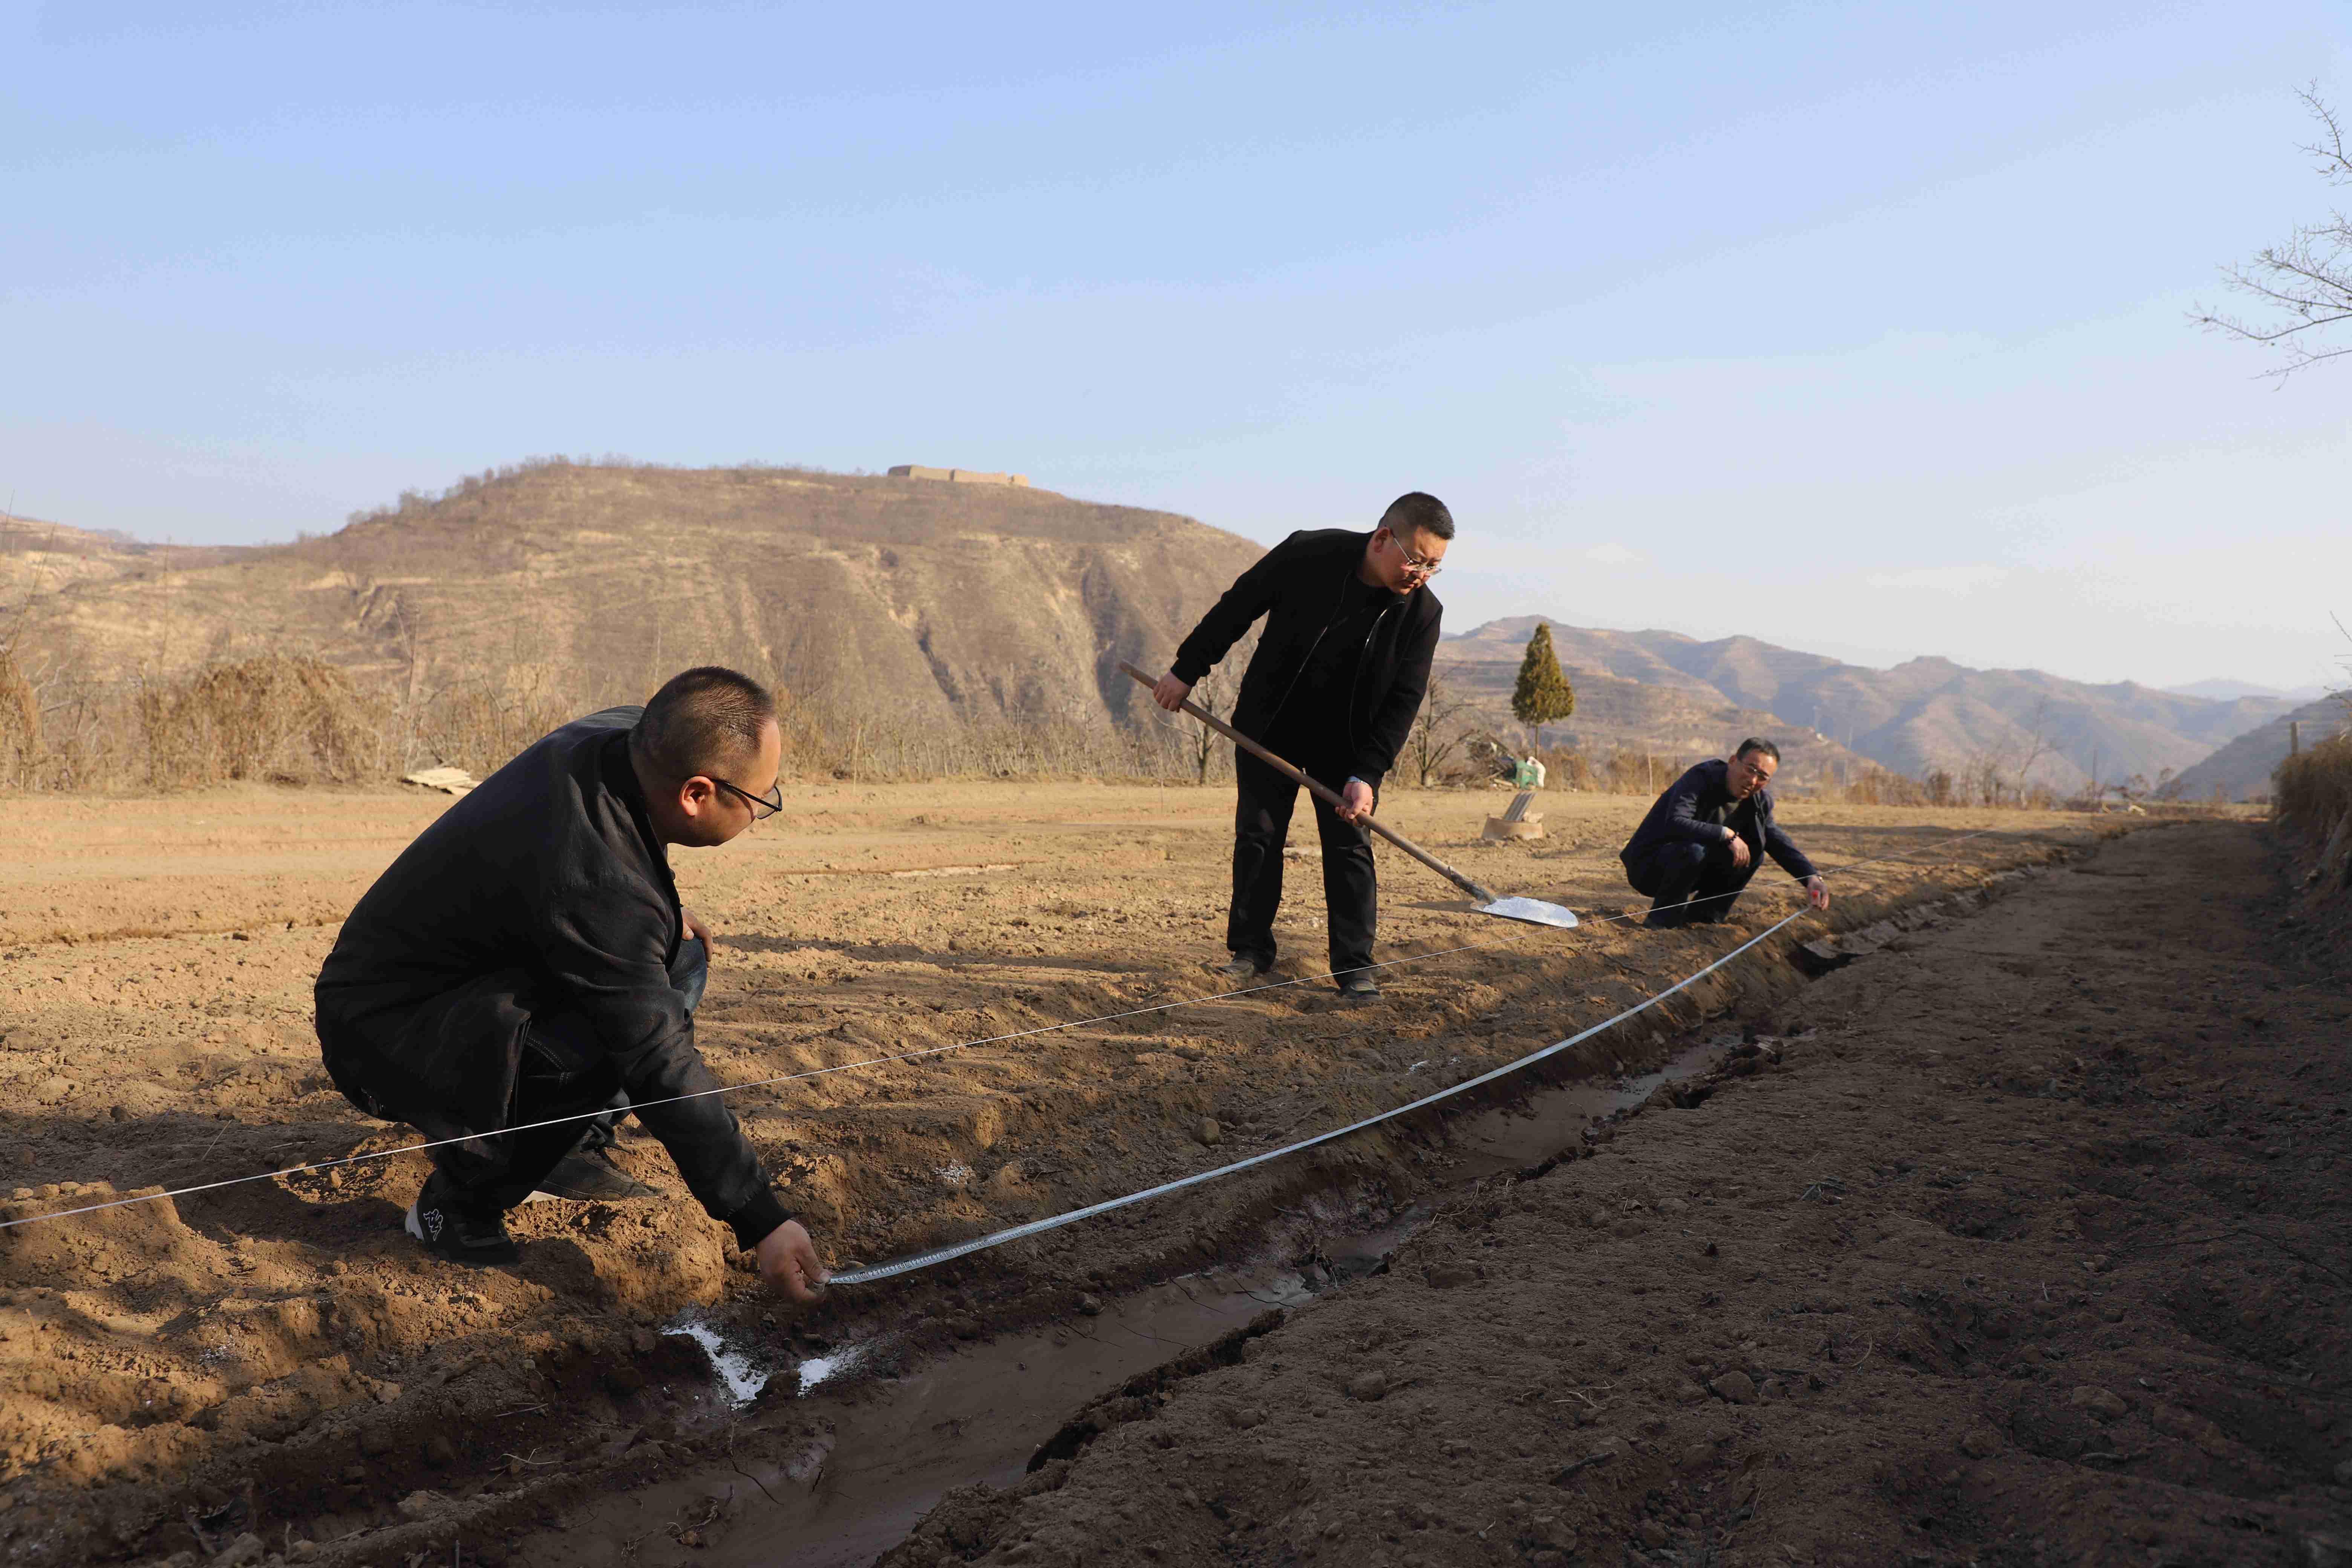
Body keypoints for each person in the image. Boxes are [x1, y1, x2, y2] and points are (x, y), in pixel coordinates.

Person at [314, 666, 825, 1301]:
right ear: (696, 793)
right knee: (609, 1034)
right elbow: (659, 1061)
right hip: (382, 1034)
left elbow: (611, 875)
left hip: (452, 986)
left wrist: (661, 910)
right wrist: (760, 1218)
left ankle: (570, 1145)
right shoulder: (602, 883)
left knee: (677, 955)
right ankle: (459, 1204)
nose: (763, 809)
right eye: (761, 799)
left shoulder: (626, 740)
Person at [1152, 492, 1451, 998]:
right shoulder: (1308, 553)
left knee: (1350, 845)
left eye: (1434, 566)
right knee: (1259, 835)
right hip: (1271, 726)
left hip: (1349, 746)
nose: (1421, 575)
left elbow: (1405, 699)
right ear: (1383, 539)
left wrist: (1368, 774)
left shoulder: (1422, 613)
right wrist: (1187, 670)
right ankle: (1250, 952)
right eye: (1417, 560)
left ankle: (1355, 967)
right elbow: (1237, 607)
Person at [1619, 739, 1830, 929]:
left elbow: (1777, 841)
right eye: (1751, 769)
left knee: (1754, 853)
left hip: (1693, 871)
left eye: (1763, 777)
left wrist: (1811, 878)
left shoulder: (1759, 802)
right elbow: (1676, 822)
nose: (1753, 780)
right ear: (1733, 761)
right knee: (1693, 850)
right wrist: (1726, 834)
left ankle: (1704, 920)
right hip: (1648, 867)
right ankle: (1661, 922)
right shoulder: (1701, 778)